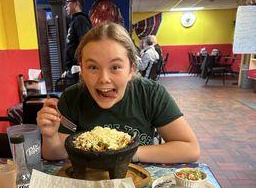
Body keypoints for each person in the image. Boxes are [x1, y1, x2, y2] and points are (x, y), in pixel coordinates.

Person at [37, 23, 200, 164]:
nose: (104, 79)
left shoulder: (150, 94)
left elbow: (190, 149)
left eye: (115, 67)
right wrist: (50, 136)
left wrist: (127, 153)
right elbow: (56, 154)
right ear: (82, 71)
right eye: (93, 67)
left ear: (131, 69)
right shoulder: (72, 98)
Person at [62, 0, 92, 83]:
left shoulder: (80, 20)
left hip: (77, 72)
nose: (65, 6)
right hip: (72, 71)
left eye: (67, 2)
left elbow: (85, 45)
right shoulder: (74, 21)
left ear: (76, 4)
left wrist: (80, 68)